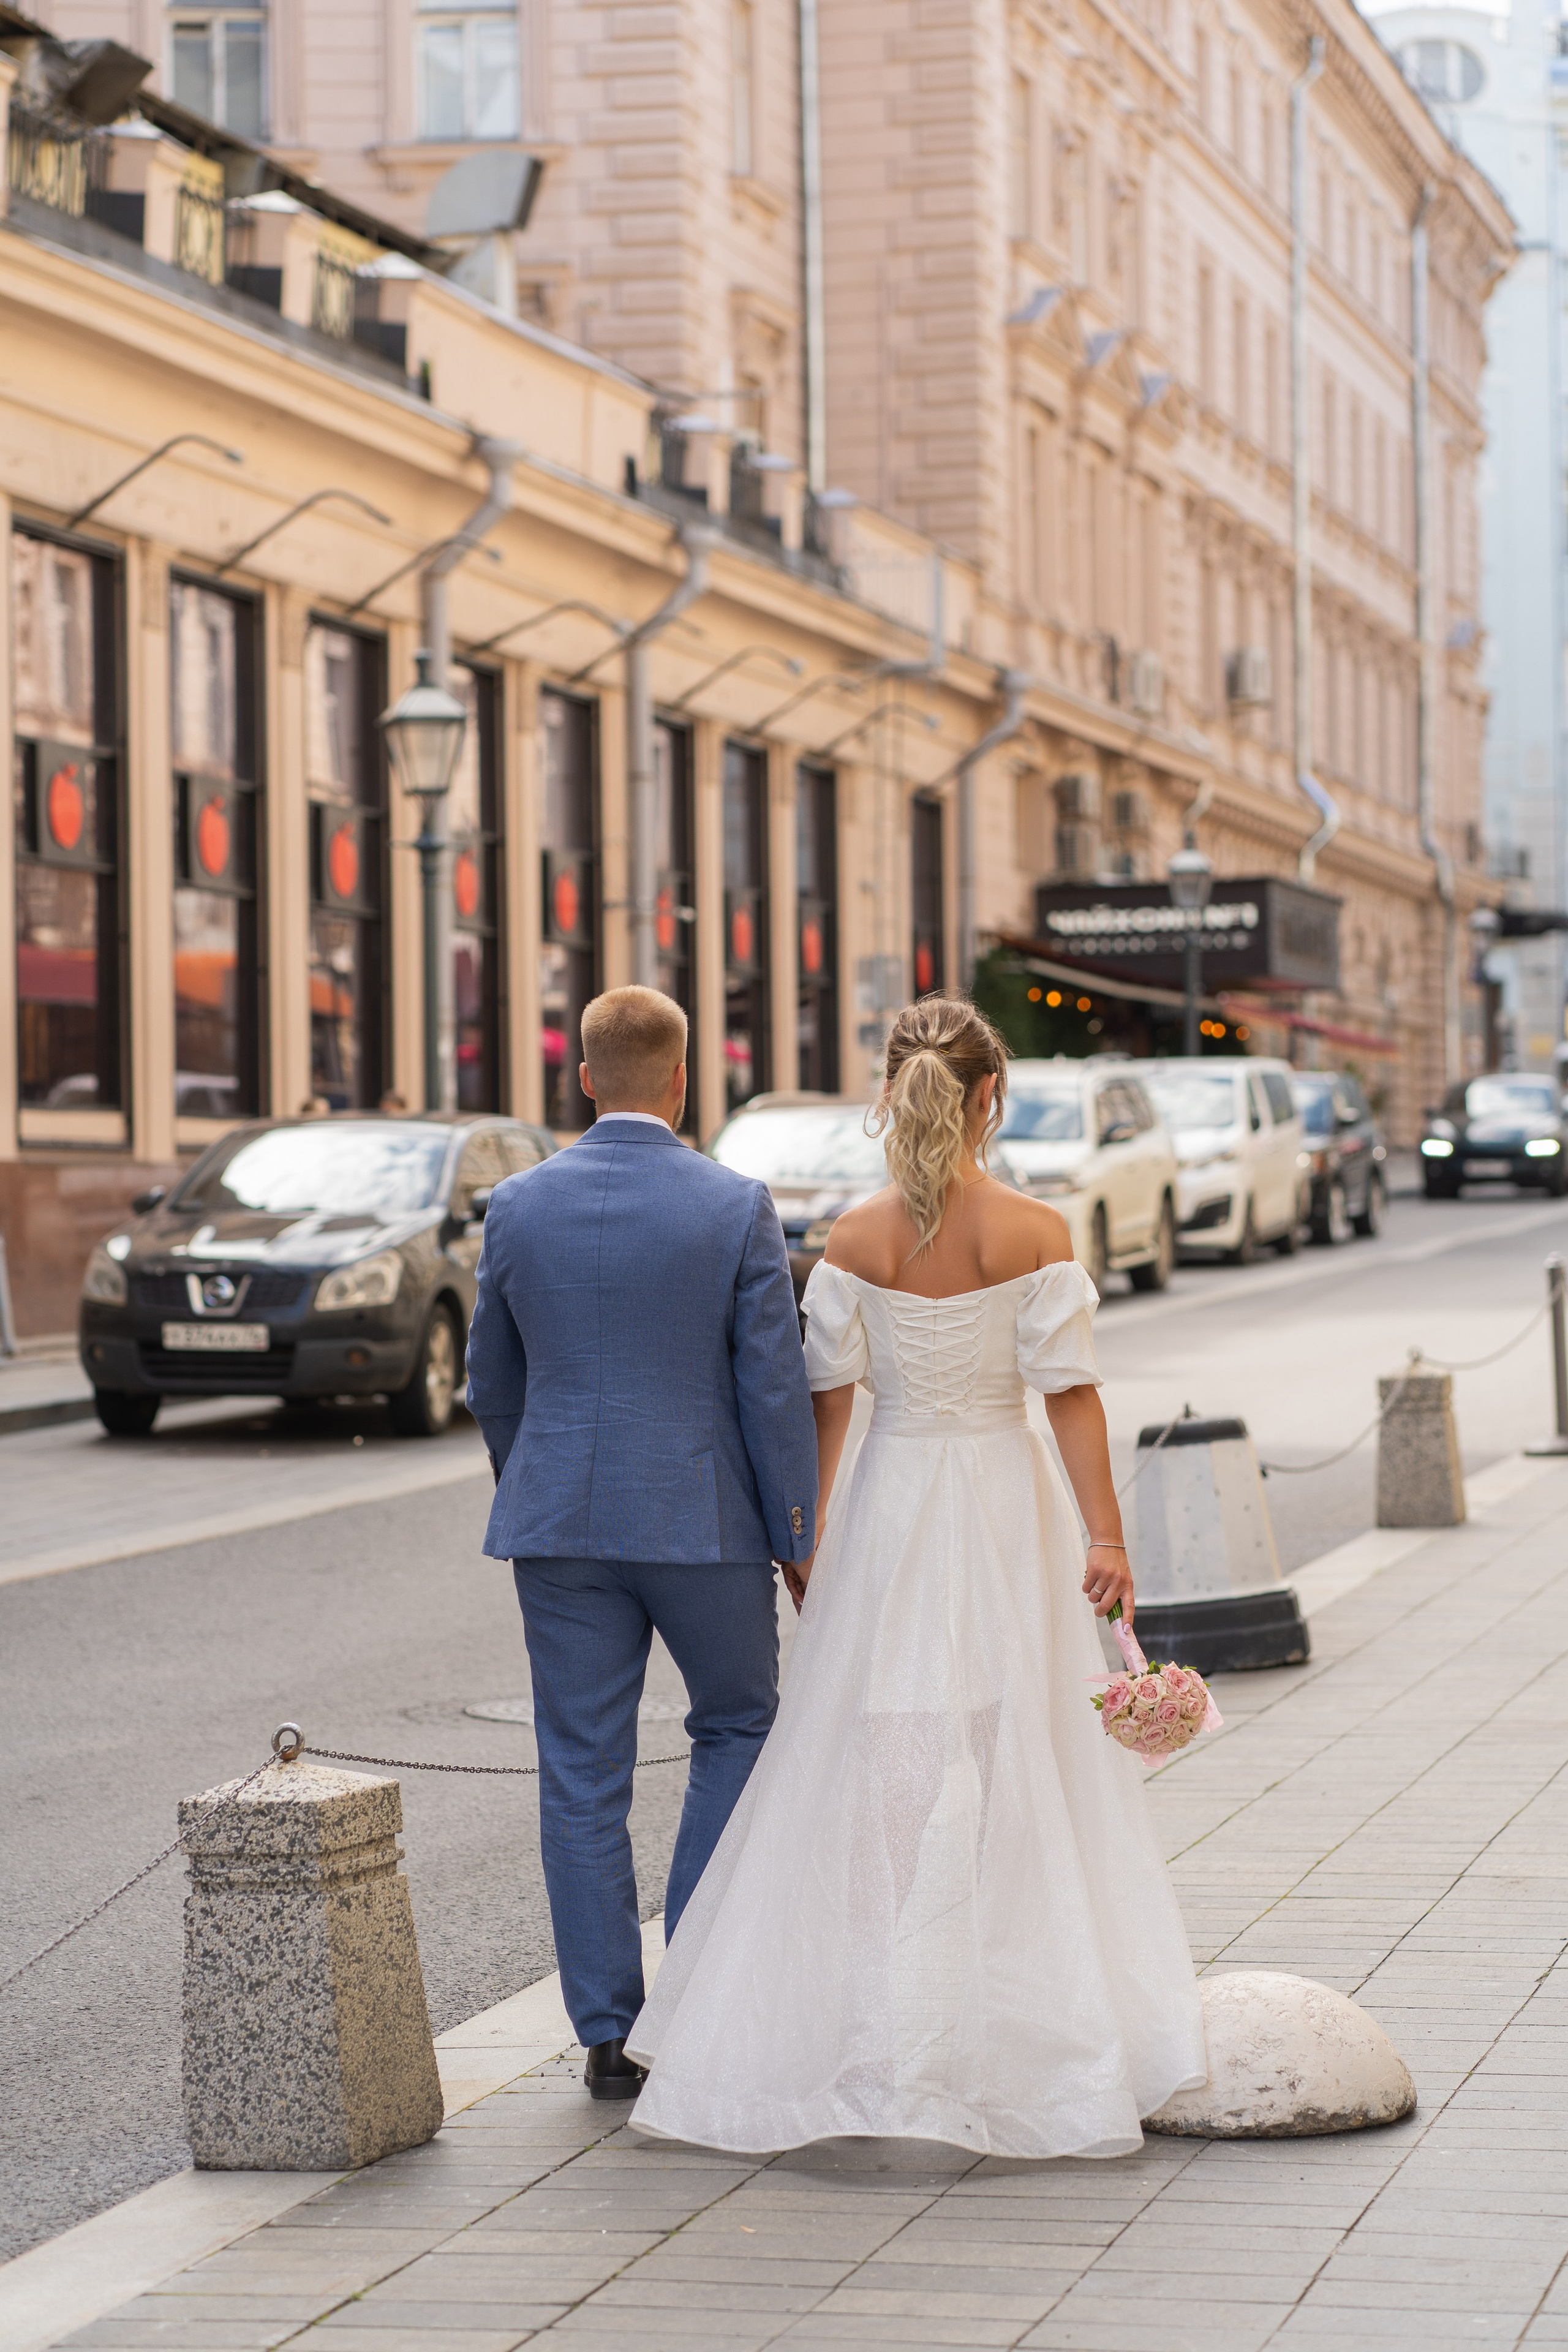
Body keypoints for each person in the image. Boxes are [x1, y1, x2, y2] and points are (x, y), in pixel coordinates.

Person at [627, 995, 1206, 2157]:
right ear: (991, 1095)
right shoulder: (1038, 1232)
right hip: (1003, 1499)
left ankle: (883, 1993)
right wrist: (1106, 1537)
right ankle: (979, 1995)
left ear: (892, 1093)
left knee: (880, 1742)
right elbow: (1071, 1396)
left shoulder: (853, 1237)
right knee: (1009, 1742)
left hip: (892, 1503)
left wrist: (810, 1532)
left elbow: (825, 1408)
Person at [465, 985, 818, 2103]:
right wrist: (797, 1532)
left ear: (581, 1077)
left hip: (560, 1522)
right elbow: (771, 1388)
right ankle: (692, 1997)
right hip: (704, 1520)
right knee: (737, 1726)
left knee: (580, 1771)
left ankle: (607, 2032)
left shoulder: (516, 1205)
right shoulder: (735, 1204)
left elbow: (491, 1382)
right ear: (681, 1080)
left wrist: (539, 1478)